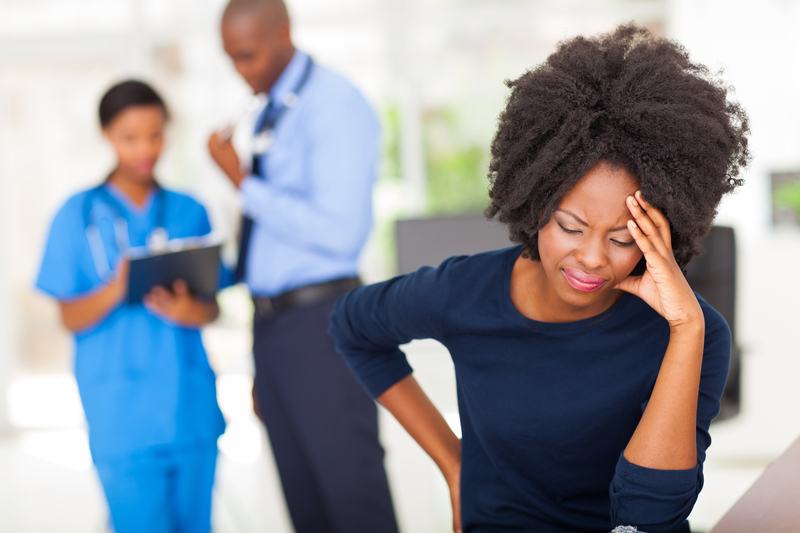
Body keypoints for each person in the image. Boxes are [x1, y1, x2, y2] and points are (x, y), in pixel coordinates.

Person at [329, 24, 750, 533]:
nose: (592, 258)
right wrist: (453, 462)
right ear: (533, 203)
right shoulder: (465, 292)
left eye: (622, 238)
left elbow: (647, 520)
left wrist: (685, 331)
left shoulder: (692, 331)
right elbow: (352, 328)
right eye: (571, 226)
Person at [207, 1, 398, 532]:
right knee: (306, 502)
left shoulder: (333, 104)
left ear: (284, 32)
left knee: (351, 497)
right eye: (230, 58)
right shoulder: (275, 108)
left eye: (248, 55)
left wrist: (244, 184)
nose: (240, 69)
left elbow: (341, 232)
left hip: (322, 323)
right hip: (274, 328)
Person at [36, 80, 225, 533]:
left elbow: (212, 307)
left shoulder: (189, 210)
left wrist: (188, 312)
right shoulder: (75, 215)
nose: (146, 148)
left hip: (190, 410)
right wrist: (116, 288)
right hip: (121, 418)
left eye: (156, 135)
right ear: (106, 135)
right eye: (130, 137)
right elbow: (68, 316)